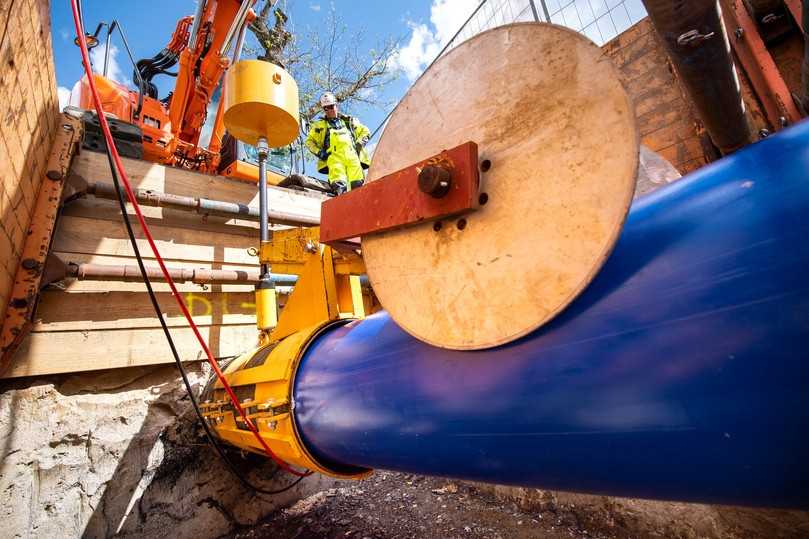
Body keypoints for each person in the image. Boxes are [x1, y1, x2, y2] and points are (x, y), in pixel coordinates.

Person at [305, 92, 370, 195]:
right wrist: (319, 152)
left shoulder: (349, 122)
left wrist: (360, 142)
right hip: (334, 159)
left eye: (331, 106)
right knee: (339, 186)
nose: (329, 110)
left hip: (352, 156)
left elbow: (365, 131)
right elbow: (309, 142)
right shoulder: (319, 126)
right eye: (326, 108)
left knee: (358, 185)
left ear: (336, 105)